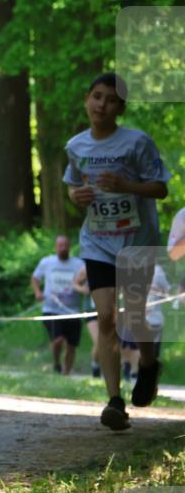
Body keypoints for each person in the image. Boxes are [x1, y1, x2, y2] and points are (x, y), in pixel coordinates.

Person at [64, 73, 170, 430]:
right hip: (97, 240)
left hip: (137, 240)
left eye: (110, 100)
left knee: (135, 316)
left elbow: (161, 189)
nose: (102, 105)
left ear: (120, 108)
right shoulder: (76, 146)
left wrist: (126, 185)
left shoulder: (137, 142)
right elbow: (73, 185)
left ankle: (149, 366)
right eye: (97, 96)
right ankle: (114, 401)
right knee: (106, 317)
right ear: (87, 99)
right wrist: (76, 196)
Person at [30, 235, 84, 375]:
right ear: (55, 247)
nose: (63, 248)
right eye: (60, 246)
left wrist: (83, 289)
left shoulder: (79, 264)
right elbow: (35, 278)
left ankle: (66, 373)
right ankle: (56, 363)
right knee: (58, 340)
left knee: (72, 345)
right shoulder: (47, 262)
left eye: (65, 245)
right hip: (51, 309)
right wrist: (38, 292)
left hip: (72, 311)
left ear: (69, 247)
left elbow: (85, 282)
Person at [73, 264, 101, 377]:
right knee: (99, 341)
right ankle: (96, 365)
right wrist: (84, 289)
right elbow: (75, 284)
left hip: (108, 309)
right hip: (91, 310)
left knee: (108, 341)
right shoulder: (87, 267)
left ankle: (103, 365)